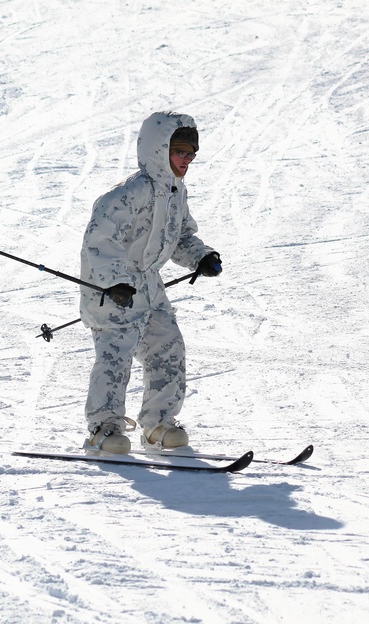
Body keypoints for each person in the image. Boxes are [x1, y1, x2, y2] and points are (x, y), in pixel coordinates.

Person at [79, 111, 222, 455]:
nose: (187, 160)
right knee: (117, 354)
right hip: (112, 289)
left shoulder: (176, 193)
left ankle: (158, 423)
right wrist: (114, 282)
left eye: (191, 154)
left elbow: (182, 235)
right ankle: (104, 427)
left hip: (149, 285)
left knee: (167, 346)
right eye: (180, 152)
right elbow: (99, 241)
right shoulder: (128, 195)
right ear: (159, 150)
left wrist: (200, 256)